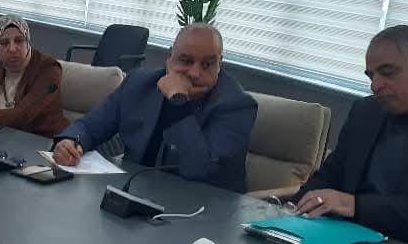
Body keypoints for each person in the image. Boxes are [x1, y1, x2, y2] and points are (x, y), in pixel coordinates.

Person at [294, 25, 408, 244]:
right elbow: (333, 173)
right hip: (344, 241)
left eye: (388, 72)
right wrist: (295, 208)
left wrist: (355, 205)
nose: (375, 85)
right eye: (371, 75)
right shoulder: (366, 111)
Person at [52, 23, 257, 192]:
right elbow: (90, 126)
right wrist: (70, 142)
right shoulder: (139, 83)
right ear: (169, 57)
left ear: (220, 64)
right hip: (136, 193)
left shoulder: (236, 106)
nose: (195, 73)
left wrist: (178, 101)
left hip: (204, 209)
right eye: (186, 61)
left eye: (207, 64)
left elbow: (199, 169)